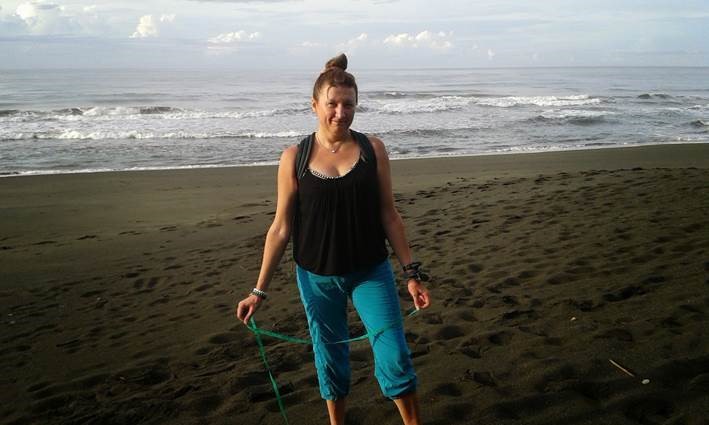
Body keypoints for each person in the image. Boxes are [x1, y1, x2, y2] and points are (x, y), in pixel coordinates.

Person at [236, 53, 431, 425]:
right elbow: (280, 228)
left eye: (348, 104)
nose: (340, 113)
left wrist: (411, 273)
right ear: (314, 105)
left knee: (394, 355)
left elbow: (389, 214)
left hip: (370, 272)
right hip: (316, 277)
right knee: (330, 359)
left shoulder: (373, 149)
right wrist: (258, 291)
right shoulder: (294, 157)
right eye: (332, 104)